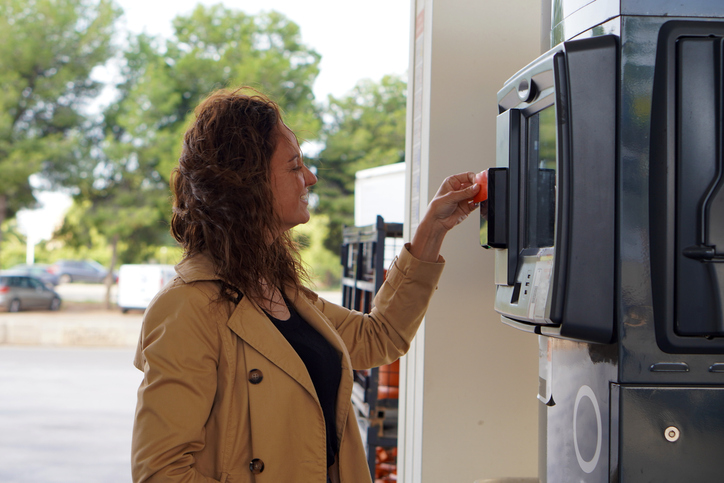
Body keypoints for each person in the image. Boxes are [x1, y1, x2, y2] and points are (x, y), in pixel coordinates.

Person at [131, 86, 482, 483]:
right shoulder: (186, 308)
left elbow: (378, 336)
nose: (310, 178)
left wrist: (432, 229)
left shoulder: (274, 286)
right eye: (295, 166)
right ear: (248, 182)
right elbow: (161, 472)